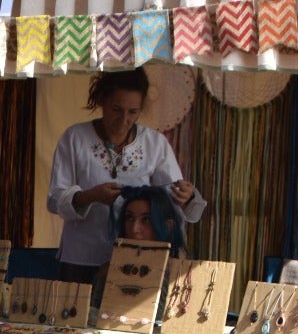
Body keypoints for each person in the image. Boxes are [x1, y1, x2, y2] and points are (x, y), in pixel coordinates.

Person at [47, 68, 205, 285]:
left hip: (137, 260)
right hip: (82, 257)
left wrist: (185, 196)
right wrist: (89, 196)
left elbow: (169, 201)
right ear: (102, 100)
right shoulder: (75, 138)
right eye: (116, 109)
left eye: (133, 112)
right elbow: (55, 199)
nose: (124, 119)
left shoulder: (154, 143)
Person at [115, 184, 187, 255]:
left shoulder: (183, 266)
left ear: (168, 226)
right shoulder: (108, 266)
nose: (134, 229)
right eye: (130, 217)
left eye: (146, 219)